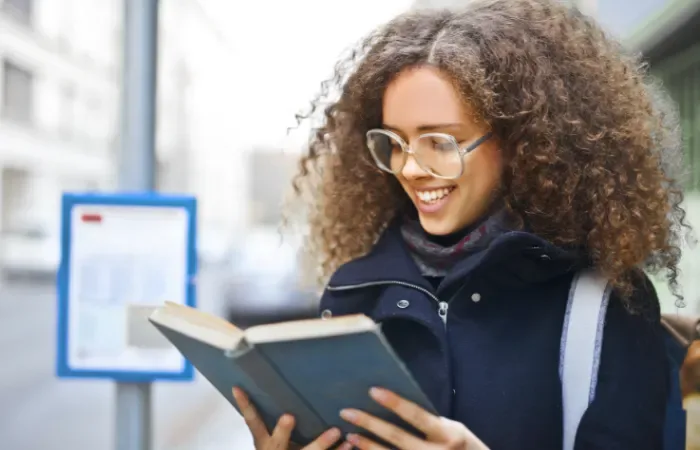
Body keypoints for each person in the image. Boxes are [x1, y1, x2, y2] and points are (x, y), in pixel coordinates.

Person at [233, 0, 691, 448]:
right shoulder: (352, 294)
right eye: (395, 141)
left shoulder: (603, 305)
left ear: (519, 142)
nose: (411, 168)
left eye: (440, 141)